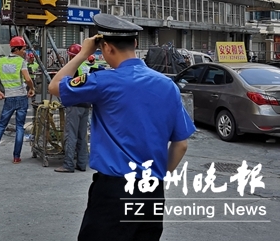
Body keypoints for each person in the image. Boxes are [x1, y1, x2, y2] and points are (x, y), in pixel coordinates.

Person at [49, 14, 195, 241]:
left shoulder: (103, 81)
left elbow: (55, 85)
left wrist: (83, 53)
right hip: (152, 192)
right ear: (135, 43)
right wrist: (159, 176)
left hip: (114, 193)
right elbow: (181, 144)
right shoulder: (167, 85)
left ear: (105, 47)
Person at [0, 35, 35, 163]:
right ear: (17, 49)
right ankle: (16, 157)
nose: (25, 52)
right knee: (19, 127)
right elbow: (28, 79)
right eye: (23, 49)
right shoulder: (21, 62)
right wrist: (32, 88)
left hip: (9, 97)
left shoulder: (1, 61)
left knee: (1, 126)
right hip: (21, 97)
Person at [54, 45, 95, 174]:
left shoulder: (74, 67)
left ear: (71, 55)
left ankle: (68, 164)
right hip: (86, 104)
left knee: (70, 135)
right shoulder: (85, 66)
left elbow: (66, 84)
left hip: (75, 104)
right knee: (82, 136)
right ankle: (82, 163)